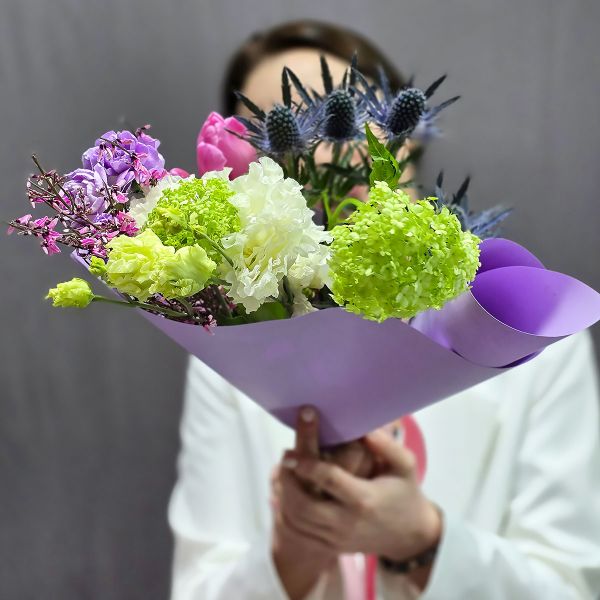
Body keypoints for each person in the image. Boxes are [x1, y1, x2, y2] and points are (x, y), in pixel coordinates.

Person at [168, 20, 600, 600]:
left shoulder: (533, 339)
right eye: (279, 133)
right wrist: (290, 555)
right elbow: (197, 586)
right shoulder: (224, 346)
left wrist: (422, 539)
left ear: (406, 131)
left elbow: (571, 586)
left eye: (330, 114)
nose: (314, 154)